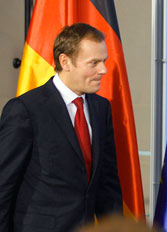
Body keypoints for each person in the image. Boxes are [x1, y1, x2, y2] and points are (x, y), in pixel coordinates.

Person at [0, 23, 123, 232]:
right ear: (65, 61)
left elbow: (107, 184)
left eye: (104, 61)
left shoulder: (101, 108)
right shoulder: (25, 110)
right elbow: (3, 185)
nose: (103, 70)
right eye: (93, 63)